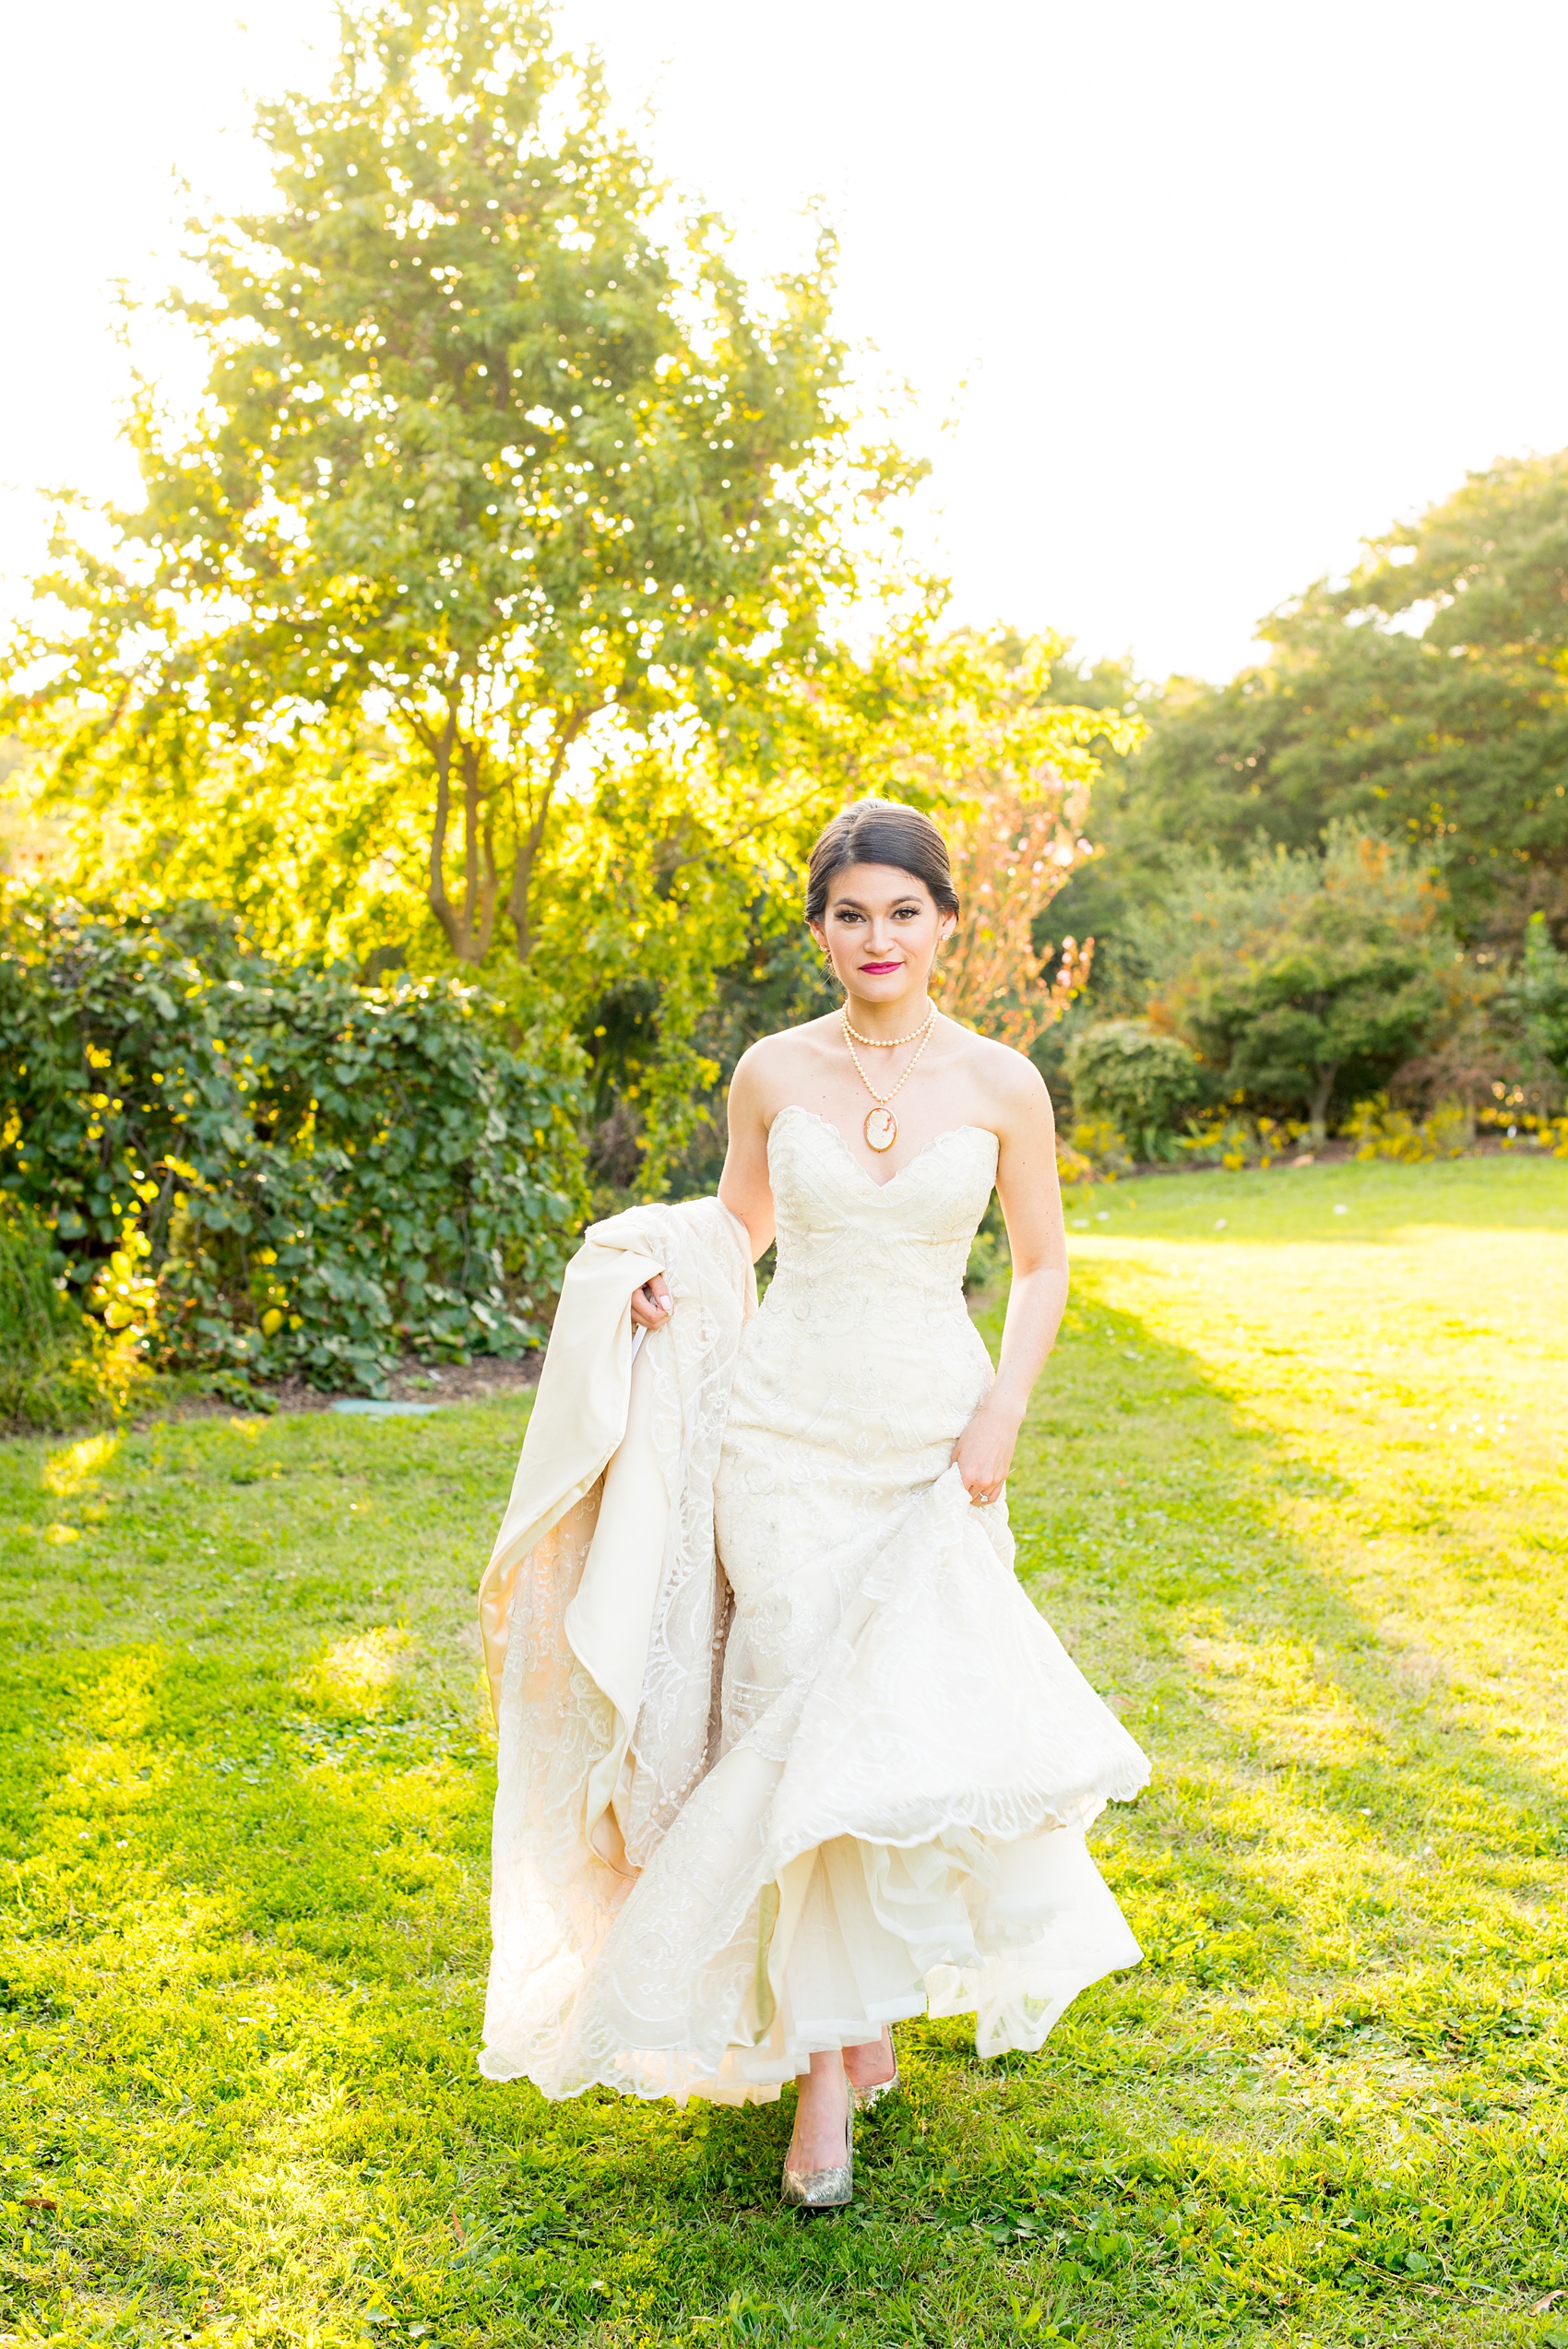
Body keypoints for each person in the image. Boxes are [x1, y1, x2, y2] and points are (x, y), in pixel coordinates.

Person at [478, 800, 1149, 2209]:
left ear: (945, 923)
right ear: (821, 930)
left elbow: (1040, 1265)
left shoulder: (1003, 1085)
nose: (879, 937)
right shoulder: (773, 1071)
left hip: (927, 1436)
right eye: (852, 913)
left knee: (891, 1723)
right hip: (780, 1438)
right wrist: (655, 1274)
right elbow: (742, 1229)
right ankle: (827, 2075)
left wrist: (1002, 1409)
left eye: (905, 911)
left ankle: (850, 2023)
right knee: (797, 1711)